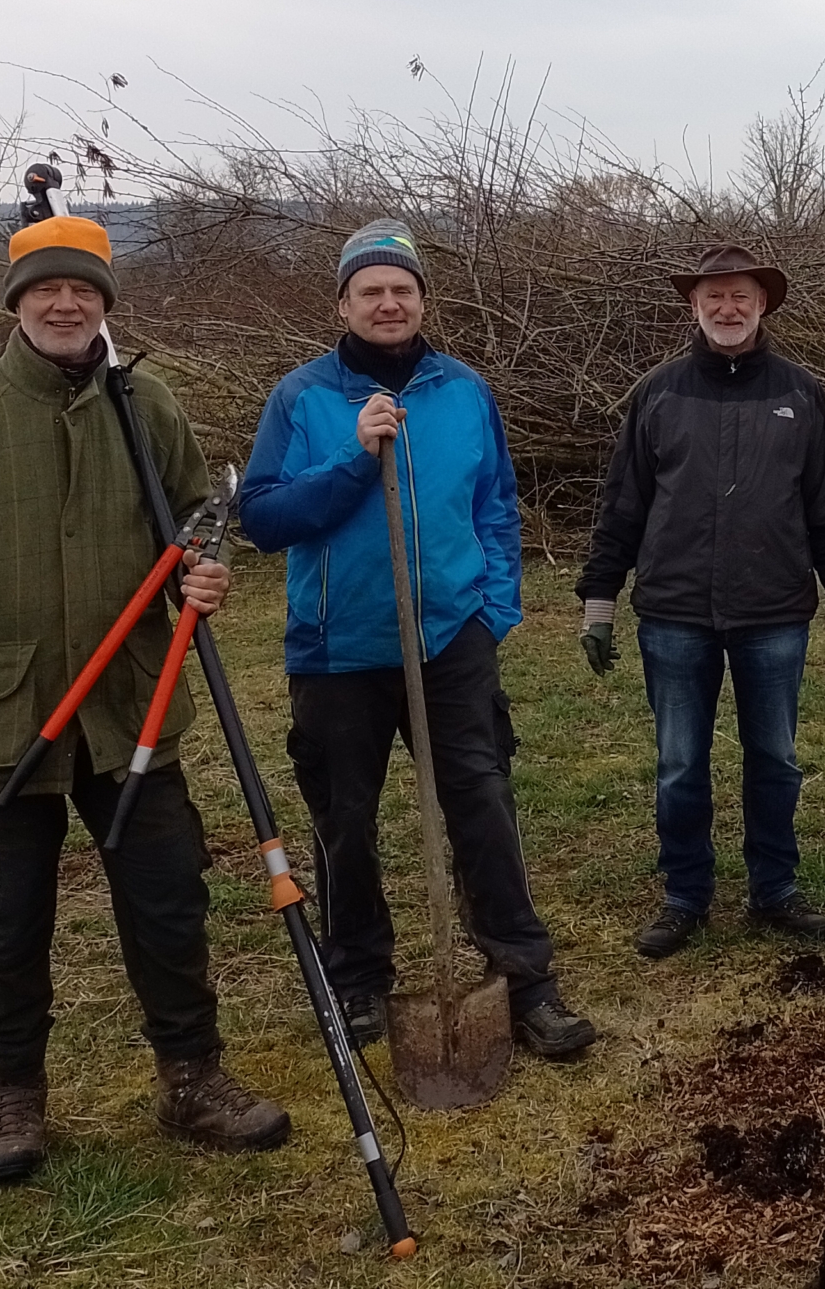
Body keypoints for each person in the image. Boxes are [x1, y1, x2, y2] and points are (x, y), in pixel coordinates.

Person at [0, 210, 290, 1185]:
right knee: (5, 917)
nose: (65, 304)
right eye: (47, 290)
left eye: (84, 291)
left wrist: (205, 572)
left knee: (169, 901)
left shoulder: (149, 405)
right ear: (16, 303)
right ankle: (13, 1093)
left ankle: (193, 1077)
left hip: (128, 708)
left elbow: (197, 525)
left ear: (103, 303)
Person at [237, 220, 595, 1061]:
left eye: (402, 289)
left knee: (481, 804)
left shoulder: (462, 390)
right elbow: (263, 518)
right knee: (344, 820)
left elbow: (496, 504)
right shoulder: (303, 398)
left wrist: (493, 607)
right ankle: (360, 980)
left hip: (450, 640)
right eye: (372, 291)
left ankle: (524, 979)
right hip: (338, 650)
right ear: (343, 304)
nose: (389, 303)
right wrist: (355, 460)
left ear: (422, 301)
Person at [576, 244, 825, 957]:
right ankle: (686, 894)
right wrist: (600, 600)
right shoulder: (659, 393)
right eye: (715, 297)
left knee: (775, 758)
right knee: (680, 762)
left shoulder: (801, 393)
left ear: (762, 305)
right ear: (694, 306)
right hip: (675, 613)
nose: (728, 308)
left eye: (741, 296)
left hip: (774, 611)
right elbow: (623, 505)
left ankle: (775, 889)